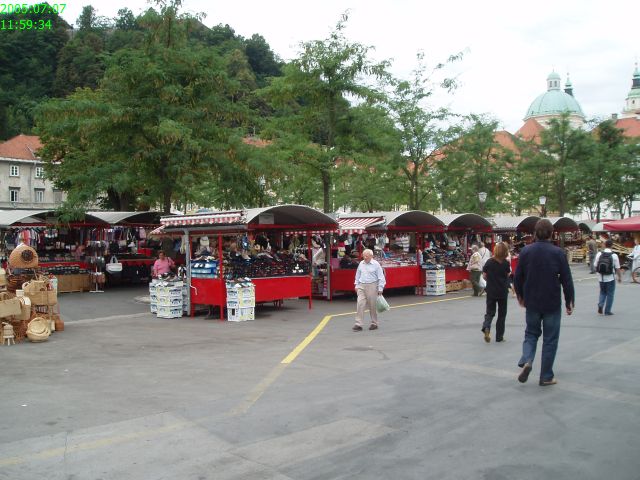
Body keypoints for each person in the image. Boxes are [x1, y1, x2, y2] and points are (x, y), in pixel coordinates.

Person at [514, 219, 574, 387]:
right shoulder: (558, 253)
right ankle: (546, 376)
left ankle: (527, 359)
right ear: (551, 233)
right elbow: (566, 279)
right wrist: (569, 301)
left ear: (535, 233)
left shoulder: (526, 251)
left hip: (532, 301)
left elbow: (518, 277)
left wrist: (520, 296)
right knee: (550, 339)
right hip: (551, 302)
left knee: (531, 334)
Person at [481, 242, 511, 343]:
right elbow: (508, 275)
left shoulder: (489, 262)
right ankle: (499, 337)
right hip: (502, 291)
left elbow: (484, 276)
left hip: (491, 290)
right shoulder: (506, 263)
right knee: (502, 314)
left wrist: (491, 279)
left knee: (490, 312)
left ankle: (486, 327)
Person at [352, 249, 386, 332]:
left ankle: (374, 323)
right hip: (362, 285)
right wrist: (356, 285)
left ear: (371, 256)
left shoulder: (376, 264)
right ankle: (358, 324)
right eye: (364, 255)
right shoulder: (361, 263)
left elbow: (381, 277)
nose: (365, 257)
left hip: (372, 285)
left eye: (367, 256)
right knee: (360, 304)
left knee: (372, 305)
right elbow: (358, 275)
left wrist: (380, 288)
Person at [593, 239, 622, 315]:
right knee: (610, 294)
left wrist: (598, 273)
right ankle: (607, 311)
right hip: (610, 278)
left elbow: (595, 265)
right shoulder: (614, 255)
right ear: (612, 246)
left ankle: (600, 305)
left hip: (601, 278)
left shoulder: (599, 254)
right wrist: (619, 277)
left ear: (605, 245)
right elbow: (617, 268)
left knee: (602, 292)